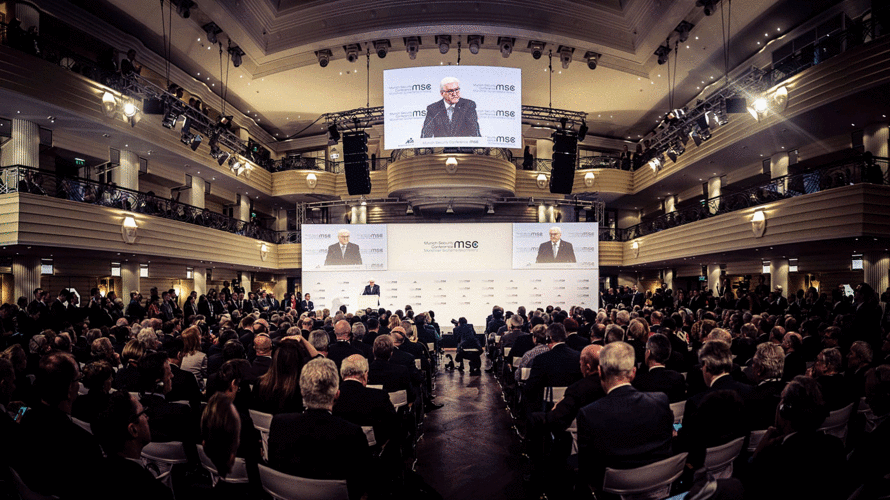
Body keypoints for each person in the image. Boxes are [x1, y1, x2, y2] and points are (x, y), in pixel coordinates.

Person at [268, 358, 370, 500]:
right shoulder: (352, 433)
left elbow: (275, 466)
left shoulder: (279, 424)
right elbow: (361, 483)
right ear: (336, 394)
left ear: (302, 392)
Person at [577, 341, 673, 490]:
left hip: (612, 491)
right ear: (633, 372)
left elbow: (587, 467)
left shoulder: (589, 414)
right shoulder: (660, 401)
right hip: (660, 485)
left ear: (600, 371)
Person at [92, 391, 174, 500]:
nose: (147, 417)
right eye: (143, 412)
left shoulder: (92, 475)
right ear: (133, 430)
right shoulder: (154, 492)